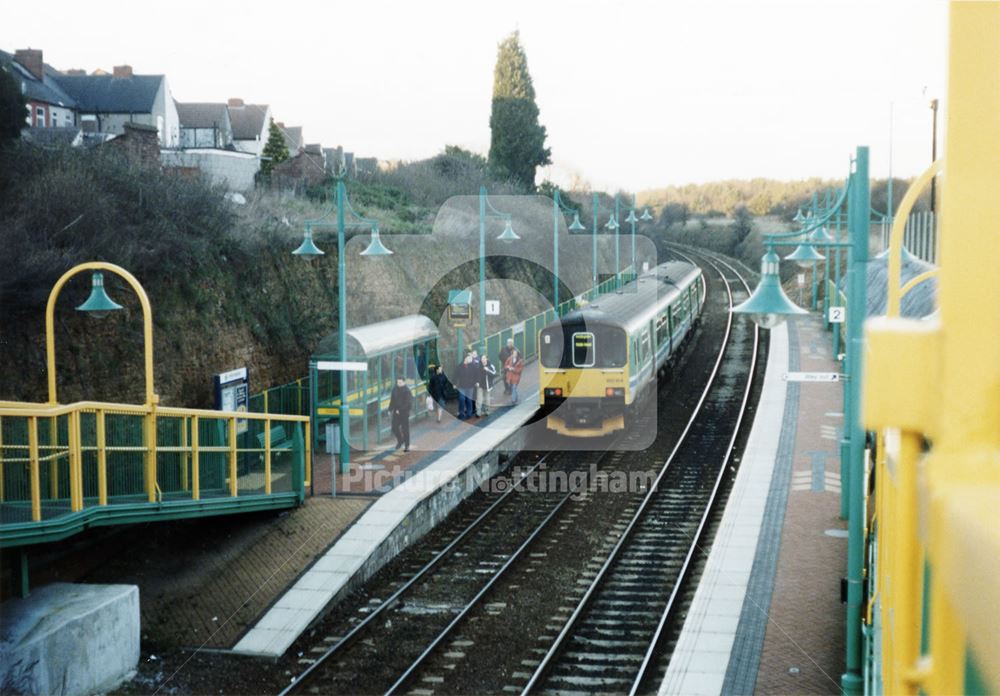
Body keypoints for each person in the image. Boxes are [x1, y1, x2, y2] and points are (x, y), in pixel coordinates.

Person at [388, 377, 412, 451]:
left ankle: (407, 446)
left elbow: (408, 403)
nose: (399, 384)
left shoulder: (407, 391)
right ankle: (400, 440)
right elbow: (392, 400)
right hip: (396, 412)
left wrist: (400, 410)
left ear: (404, 382)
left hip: (404, 413)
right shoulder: (394, 389)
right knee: (394, 428)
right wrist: (389, 409)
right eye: (398, 382)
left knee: (405, 429)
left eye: (400, 383)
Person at [456, 353, 478, 420]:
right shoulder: (459, 366)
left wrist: (476, 382)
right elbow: (455, 375)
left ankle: (469, 413)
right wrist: (454, 383)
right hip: (462, 386)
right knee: (461, 399)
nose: (471, 359)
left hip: (470, 386)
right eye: (470, 358)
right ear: (465, 359)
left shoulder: (473, 366)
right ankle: (461, 413)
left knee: (469, 400)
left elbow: (476, 375)